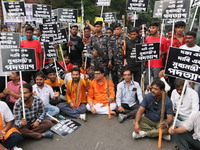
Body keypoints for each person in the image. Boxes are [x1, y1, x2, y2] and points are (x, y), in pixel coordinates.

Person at [144, 22, 168, 87]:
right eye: (150, 28)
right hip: (148, 63)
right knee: (147, 81)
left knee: (156, 81)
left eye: (153, 28)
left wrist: (160, 53)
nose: (151, 29)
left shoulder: (163, 39)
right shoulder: (147, 39)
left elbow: (165, 51)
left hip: (157, 64)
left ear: (157, 28)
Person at [108, 23, 125, 88]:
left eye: (118, 29)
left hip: (121, 61)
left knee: (121, 78)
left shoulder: (124, 38)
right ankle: (115, 93)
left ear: (121, 30)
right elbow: (109, 50)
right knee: (114, 78)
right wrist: (110, 60)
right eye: (115, 29)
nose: (116, 31)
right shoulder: (111, 38)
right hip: (113, 61)